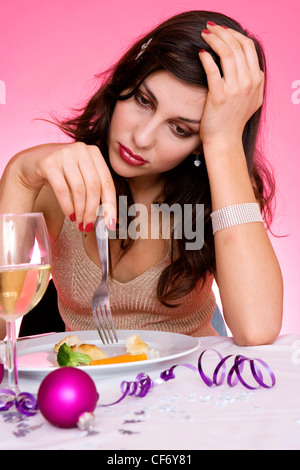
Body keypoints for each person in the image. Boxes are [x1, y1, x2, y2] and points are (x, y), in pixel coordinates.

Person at [0, 10, 283, 345]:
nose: (142, 137)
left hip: (191, 387)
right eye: (143, 100)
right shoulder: (58, 182)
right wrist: (19, 175)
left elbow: (256, 328)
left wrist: (223, 141)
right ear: (125, 81)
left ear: (199, 143)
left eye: (179, 129)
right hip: (91, 390)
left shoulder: (222, 190)